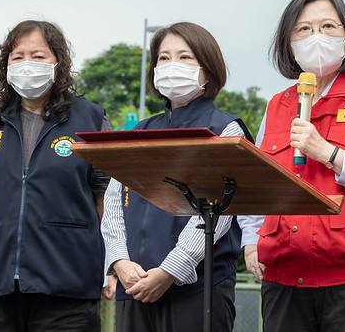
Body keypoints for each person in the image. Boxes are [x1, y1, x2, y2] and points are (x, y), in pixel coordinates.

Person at [239, 0, 345, 332]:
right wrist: (251, 240)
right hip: (284, 281)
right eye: (304, 29)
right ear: (288, 44)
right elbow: (259, 182)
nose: (316, 36)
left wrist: (331, 154)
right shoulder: (277, 106)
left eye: (328, 26)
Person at [0, 20, 109, 331]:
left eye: (38, 56)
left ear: (58, 62)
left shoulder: (90, 119)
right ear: (6, 64)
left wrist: (111, 265)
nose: (27, 64)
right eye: (18, 56)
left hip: (67, 285)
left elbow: (106, 201)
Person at [101, 22, 251, 332]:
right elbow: (114, 200)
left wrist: (171, 269)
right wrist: (119, 261)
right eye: (164, 58)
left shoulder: (224, 129)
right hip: (135, 285)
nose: (172, 66)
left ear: (208, 70)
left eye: (185, 57)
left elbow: (221, 210)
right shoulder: (140, 131)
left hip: (197, 289)